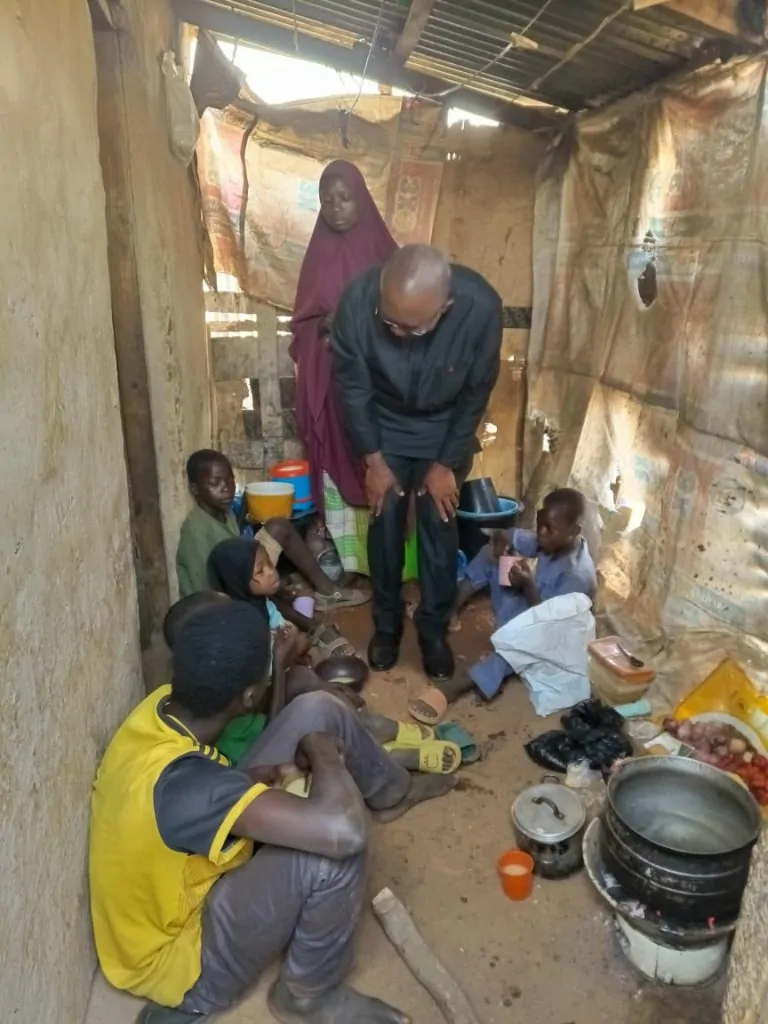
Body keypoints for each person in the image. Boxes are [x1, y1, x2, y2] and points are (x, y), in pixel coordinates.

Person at [90, 602, 455, 1023]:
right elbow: (345, 832)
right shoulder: (191, 789)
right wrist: (322, 754)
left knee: (318, 709)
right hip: (179, 958)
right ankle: (307, 995)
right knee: (335, 854)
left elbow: (206, 785)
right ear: (249, 697)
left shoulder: (163, 706)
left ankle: (392, 793)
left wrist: (258, 777)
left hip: (179, 868)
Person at [331, 244, 503, 682]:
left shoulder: (481, 309)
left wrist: (445, 463)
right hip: (384, 425)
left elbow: (476, 392)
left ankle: (433, 631)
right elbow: (353, 389)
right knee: (384, 518)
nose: (399, 335)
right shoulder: (357, 302)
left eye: (413, 328)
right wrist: (374, 459)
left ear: (445, 306)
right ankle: (387, 626)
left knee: (438, 525)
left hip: (445, 427)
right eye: (389, 322)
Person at [291, 160, 397, 576]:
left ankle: (389, 565)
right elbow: (303, 322)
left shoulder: (385, 254)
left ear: (361, 199)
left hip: (377, 382)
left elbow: (407, 314)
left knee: (379, 461)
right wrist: (326, 324)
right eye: (327, 200)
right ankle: (351, 561)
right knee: (335, 460)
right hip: (330, 379)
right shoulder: (317, 254)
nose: (336, 208)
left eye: (344, 198)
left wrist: (358, 322)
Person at [409, 488, 597, 720]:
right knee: (491, 554)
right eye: (540, 523)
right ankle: (452, 609)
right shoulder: (551, 540)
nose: (541, 533)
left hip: (550, 639)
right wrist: (501, 542)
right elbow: (508, 535)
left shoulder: (577, 576)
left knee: (521, 645)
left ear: (574, 530)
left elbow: (550, 630)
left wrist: (528, 586)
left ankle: (465, 683)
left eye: (550, 528)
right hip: (528, 613)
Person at [175, 448, 367, 608]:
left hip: (240, 574)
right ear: (195, 489)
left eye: (230, 479)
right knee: (276, 592)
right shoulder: (196, 532)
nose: (226, 488)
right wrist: (264, 589)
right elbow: (206, 592)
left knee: (279, 526)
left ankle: (328, 591)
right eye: (215, 483)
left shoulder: (223, 510)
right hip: (225, 599)